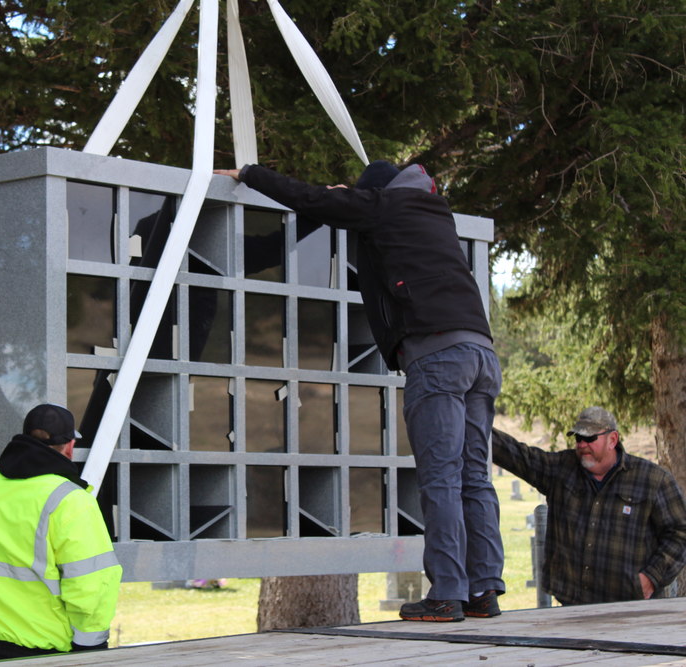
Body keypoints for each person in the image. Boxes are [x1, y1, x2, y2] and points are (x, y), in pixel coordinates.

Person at [215, 162, 504, 622]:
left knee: (441, 479)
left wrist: (251, 173)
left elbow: (311, 200)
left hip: (436, 355)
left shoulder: (384, 205)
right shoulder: (435, 211)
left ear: (371, 193)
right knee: (474, 477)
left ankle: (447, 593)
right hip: (482, 355)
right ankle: (484, 590)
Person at [0, 403, 122, 661]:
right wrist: (90, 647)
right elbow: (90, 582)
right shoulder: (69, 499)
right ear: (70, 447)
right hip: (48, 654)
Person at [493, 406, 686, 605]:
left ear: (613, 439)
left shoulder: (652, 480)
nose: (582, 444)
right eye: (578, 438)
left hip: (632, 609)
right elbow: (517, 455)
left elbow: (680, 532)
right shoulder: (562, 470)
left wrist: (651, 578)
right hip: (572, 608)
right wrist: (475, 425)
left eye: (590, 438)